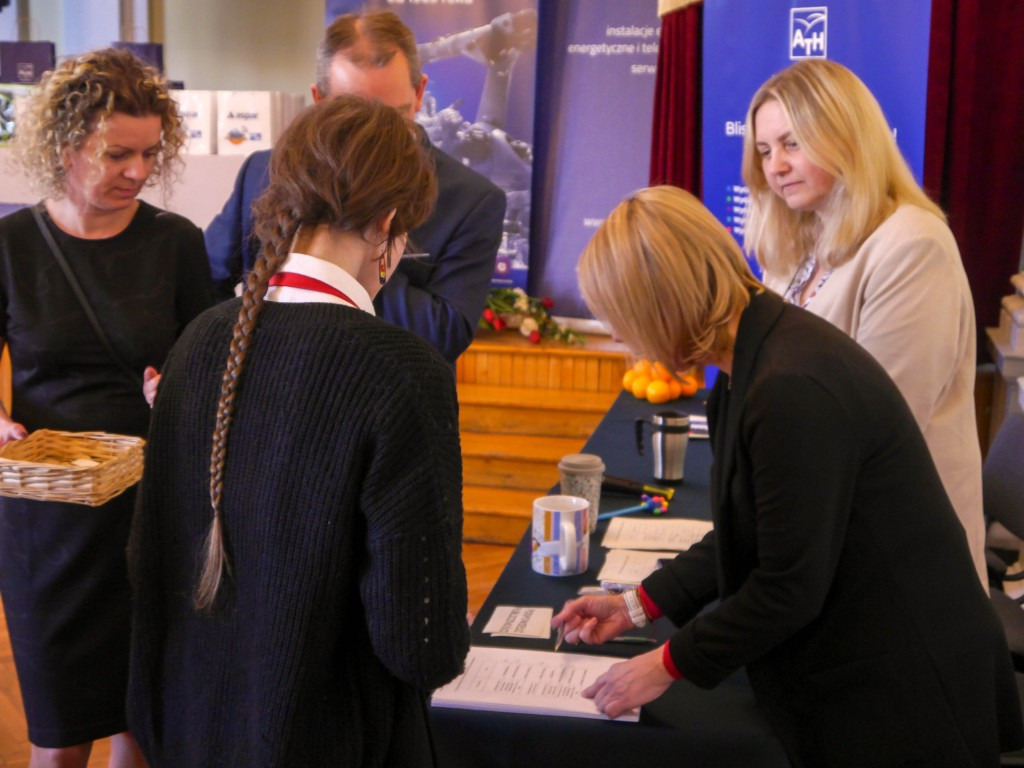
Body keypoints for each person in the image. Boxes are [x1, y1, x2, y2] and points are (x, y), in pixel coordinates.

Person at [553, 185, 1022, 767]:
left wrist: (665, 664)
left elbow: (788, 586)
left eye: (620, 318)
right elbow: (749, 530)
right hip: (875, 649)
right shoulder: (755, 357)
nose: (621, 337)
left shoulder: (788, 388)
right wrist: (638, 603)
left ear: (662, 304)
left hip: (906, 685)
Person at [127, 95, 471, 767]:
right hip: (328, 739)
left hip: (191, 731)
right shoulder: (400, 370)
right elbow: (419, 644)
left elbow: (151, 561)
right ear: (389, 222)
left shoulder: (199, 341)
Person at [0, 48, 213, 767]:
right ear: (65, 145)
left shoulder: (176, 243)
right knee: (57, 736)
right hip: (46, 522)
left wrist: (176, 389)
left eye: (150, 153)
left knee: (141, 726)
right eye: (118, 153)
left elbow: (207, 367)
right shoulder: (10, 246)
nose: (139, 171)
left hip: (151, 512)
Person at [741, 59, 987, 589]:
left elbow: (879, 424)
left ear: (846, 136)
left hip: (902, 561)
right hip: (823, 535)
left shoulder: (912, 244)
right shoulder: (796, 244)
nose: (775, 166)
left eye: (792, 144)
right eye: (763, 151)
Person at [204, 9, 507, 364]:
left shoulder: (471, 199)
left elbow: (445, 333)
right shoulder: (264, 171)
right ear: (319, 100)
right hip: (265, 383)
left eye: (394, 117)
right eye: (354, 119)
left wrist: (345, 255)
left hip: (392, 390)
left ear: (420, 92)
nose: (375, 138)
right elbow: (205, 281)